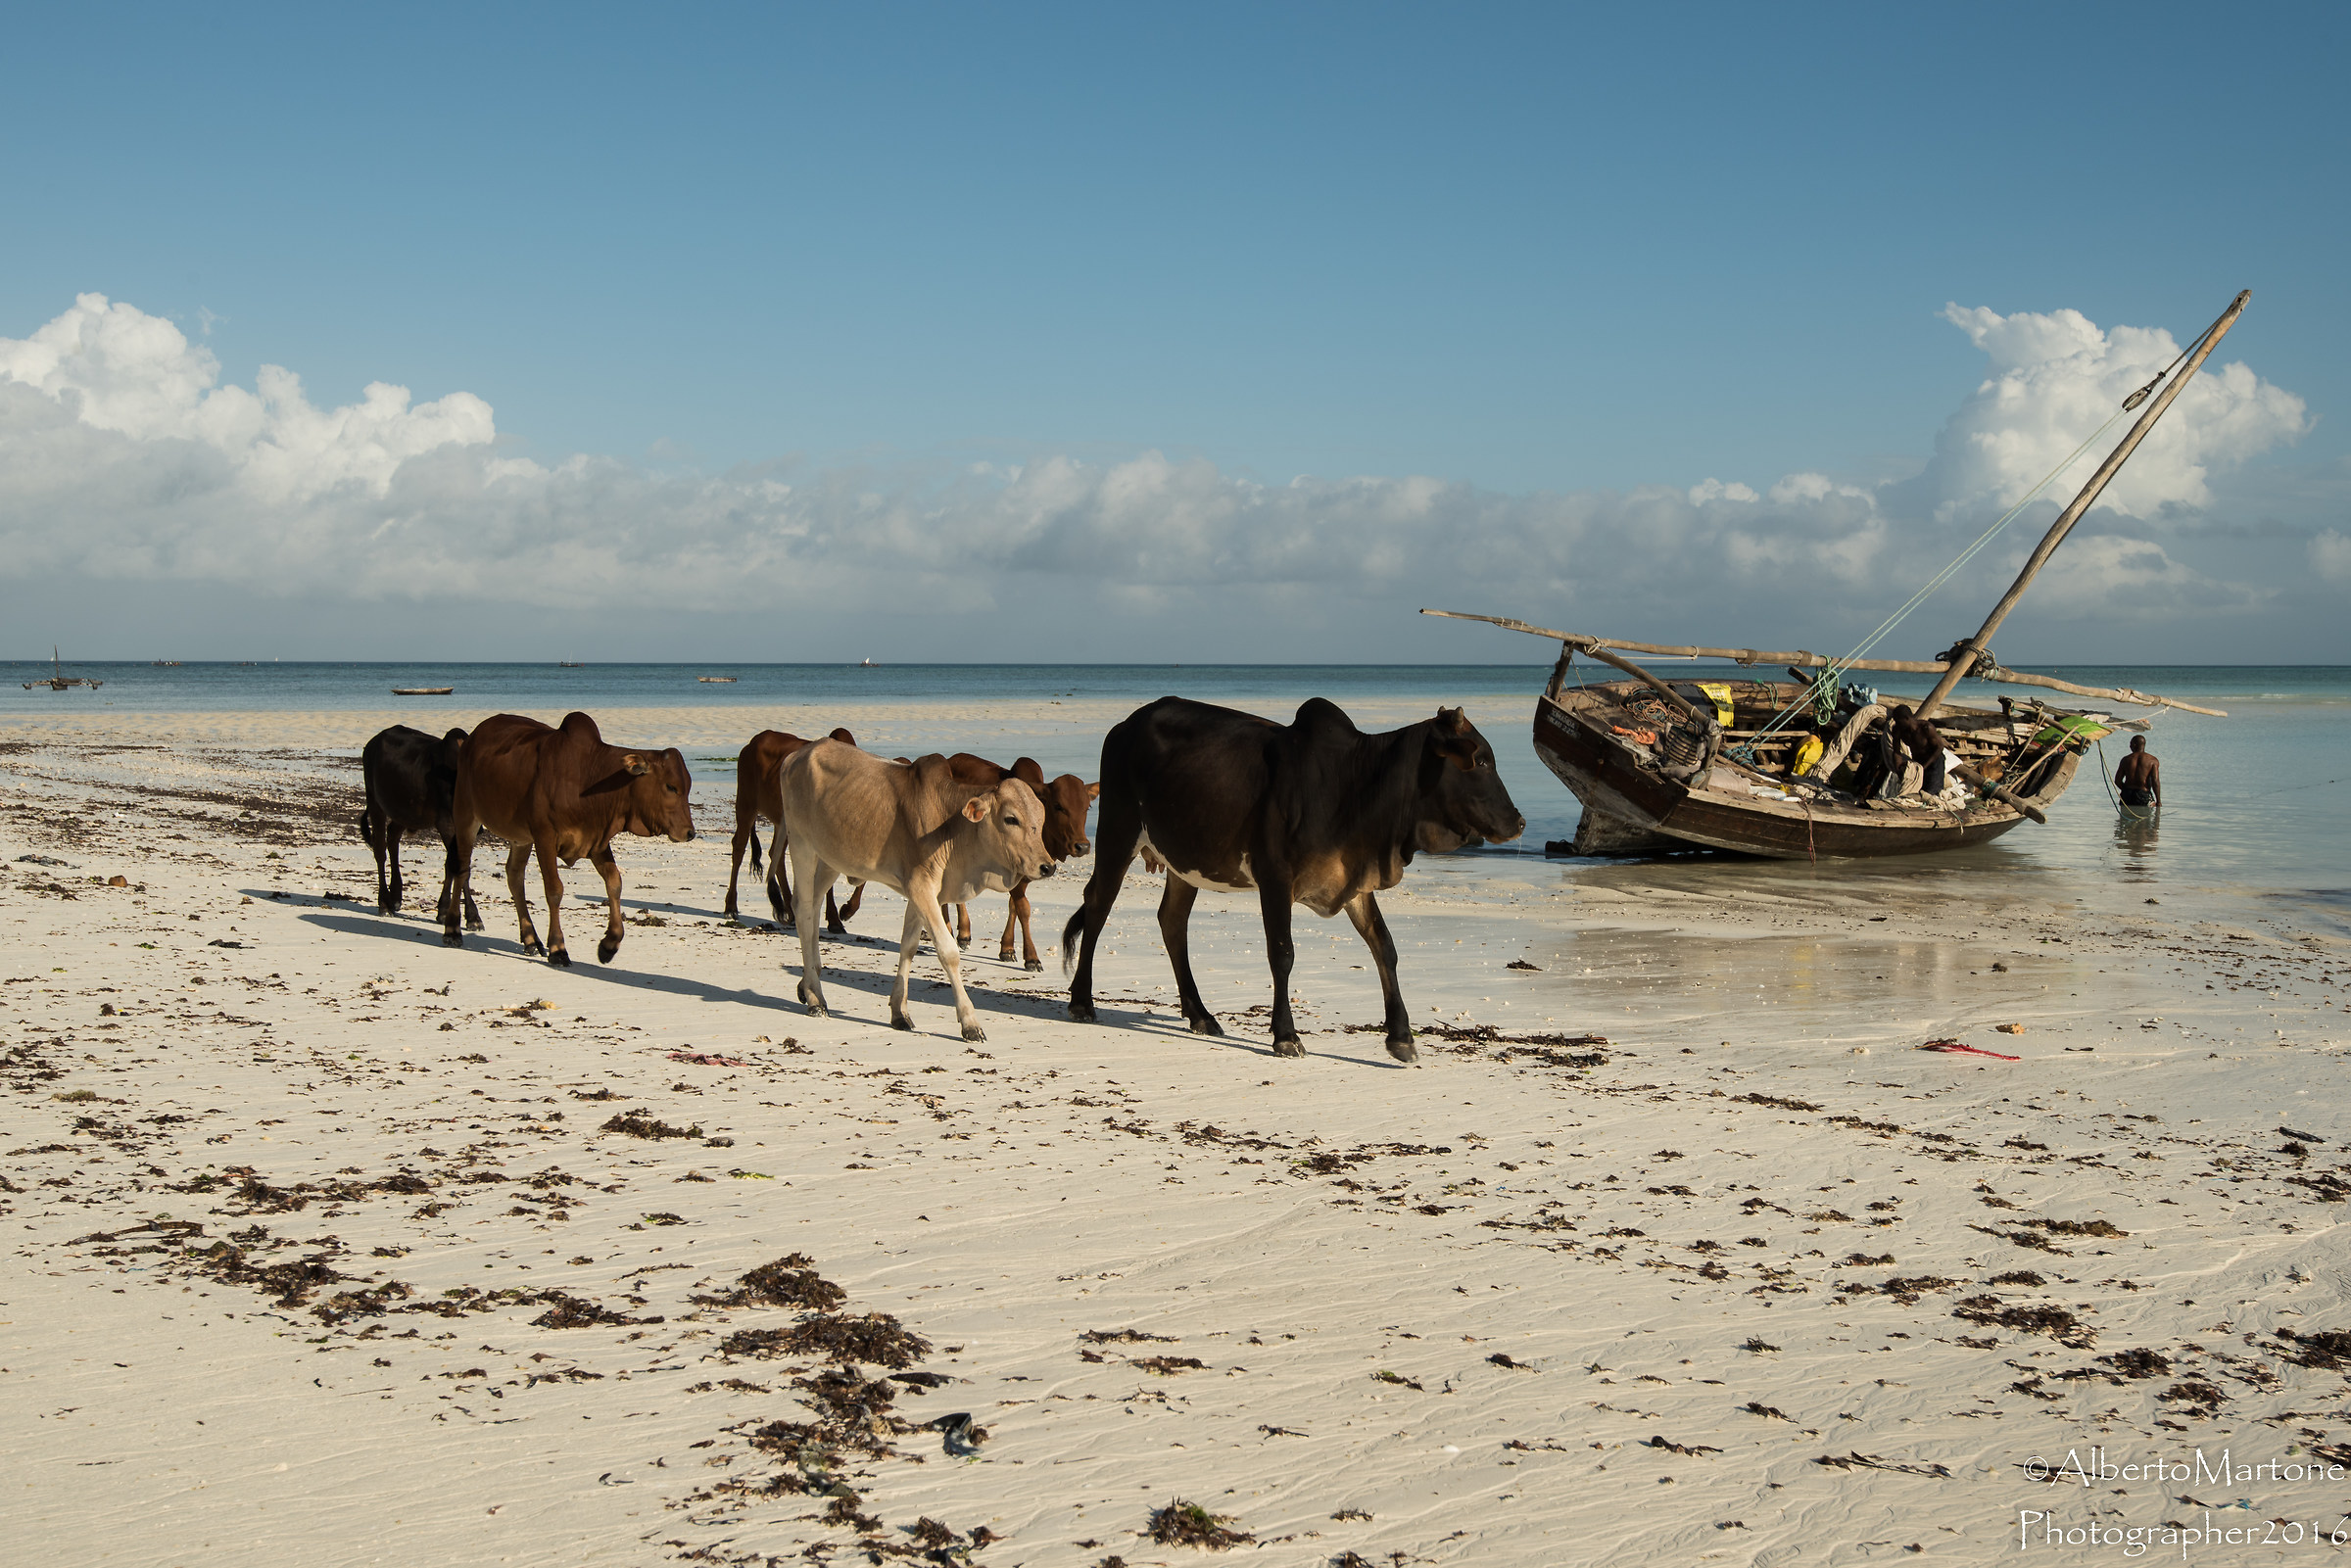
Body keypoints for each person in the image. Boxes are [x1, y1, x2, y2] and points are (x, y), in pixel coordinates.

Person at [2115, 734, 2161, 811]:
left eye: (2130, 744)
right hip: (2143, 795)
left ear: (2134, 744)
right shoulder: (2152, 760)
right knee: (2145, 821)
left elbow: (2117, 781)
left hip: (2126, 796)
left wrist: (2126, 790)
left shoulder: (2126, 759)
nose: (2129, 746)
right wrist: (2158, 801)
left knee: (2124, 820)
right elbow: (2155, 781)